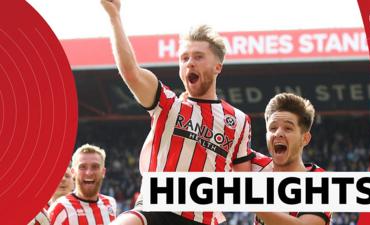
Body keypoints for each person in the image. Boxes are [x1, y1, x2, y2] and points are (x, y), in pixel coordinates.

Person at [100, 1, 254, 224]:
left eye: (198, 56)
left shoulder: (239, 121)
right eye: (184, 58)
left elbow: (243, 182)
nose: (190, 63)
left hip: (203, 218)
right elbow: (132, 73)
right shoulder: (168, 104)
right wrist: (114, 17)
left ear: (218, 66)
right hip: (154, 210)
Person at [252, 93, 332, 225]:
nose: (278, 133)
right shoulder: (257, 167)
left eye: (288, 128)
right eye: (272, 128)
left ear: (305, 138)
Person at [48, 144, 117, 225]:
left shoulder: (110, 203)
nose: (89, 173)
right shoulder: (60, 208)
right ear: (73, 172)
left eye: (95, 167)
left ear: (103, 172)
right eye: (82, 167)